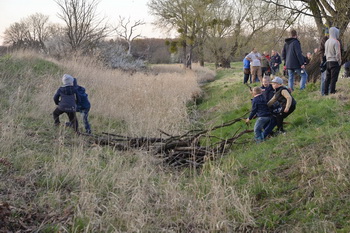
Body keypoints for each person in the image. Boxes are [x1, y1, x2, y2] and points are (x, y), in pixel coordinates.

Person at [324, 27, 342, 95]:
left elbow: (325, 53)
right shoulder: (336, 42)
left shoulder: (326, 42)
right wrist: (339, 62)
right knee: (333, 78)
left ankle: (325, 92)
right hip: (334, 62)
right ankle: (332, 92)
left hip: (328, 62)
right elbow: (338, 54)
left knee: (327, 78)